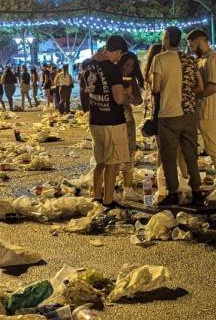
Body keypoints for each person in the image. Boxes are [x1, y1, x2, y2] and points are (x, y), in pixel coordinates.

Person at [151, 26, 205, 207]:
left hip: (168, 114)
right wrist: (187, 93)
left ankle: (173, 192)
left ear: (167, 38)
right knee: (190, 154)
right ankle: (197, 191)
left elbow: (155, 88)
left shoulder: (159, 59)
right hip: (188, 113)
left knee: (168, 156)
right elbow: (200, 87)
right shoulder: (189, 59)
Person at [84, 41, 129, 210]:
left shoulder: (90, 65)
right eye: (121, 55)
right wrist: (127, 94)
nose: (120, 59)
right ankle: (108, 200)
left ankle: (97, 196)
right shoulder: (113, 68)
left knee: (100, 161)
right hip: (112, 121)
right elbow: (118, 98)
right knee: (112, 163)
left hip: (95, 119)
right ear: (117, 51)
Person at [189, 29, 216, 201]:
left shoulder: (213, 58)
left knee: (213, 147)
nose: (191, 49)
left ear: (200, 42)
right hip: (201, 109)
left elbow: (213, 86)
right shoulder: (203, 59)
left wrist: (194, 96)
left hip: (208, 109)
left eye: (192, 45)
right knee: (210, 146)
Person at [114, 37, 144, 202]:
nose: (128, 68)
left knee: (129, 154)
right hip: (113, 119)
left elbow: (138, 101)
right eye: (126, 65)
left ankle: (128, 188)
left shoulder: (131, 80)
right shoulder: (112, 76)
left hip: (128, 120)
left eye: (131, 66)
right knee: (114, 156)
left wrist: (131, 96)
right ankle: (111, 188)